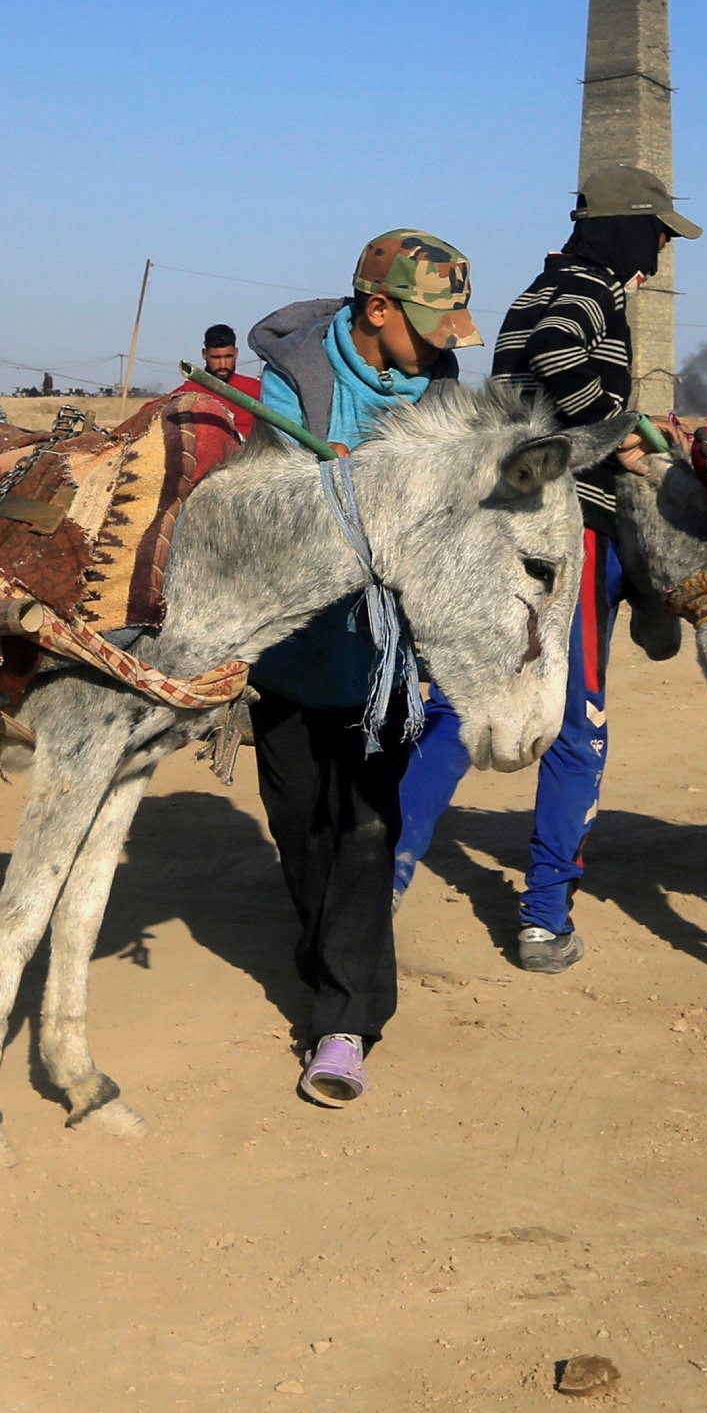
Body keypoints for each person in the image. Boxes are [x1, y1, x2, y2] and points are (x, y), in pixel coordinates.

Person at [394, 163, 697, 973]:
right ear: (625, 227)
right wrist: (614, 432)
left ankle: (379, 880)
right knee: (576, 720)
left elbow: (515, 392)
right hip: (570, 536)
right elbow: (565, 363)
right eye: (660, 231)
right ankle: (543, 913)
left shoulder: (535, 289)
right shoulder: (589, 292)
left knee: (465, 701)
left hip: (501, 526)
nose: (664, 246)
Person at [239, 231, 478, 1107]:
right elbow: (262, 497)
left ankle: (346, 1023)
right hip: (290, 649)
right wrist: (321, 487)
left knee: (367, 833)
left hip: (385, 664)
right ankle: (328, 960)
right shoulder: (292, 375)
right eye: (431, 322)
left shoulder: (443, 390)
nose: (447, 342)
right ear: (378, 310)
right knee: (300, 829)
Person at [162, 323, 260, 436]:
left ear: (236, 353)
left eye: (228, 357)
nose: (223, 364)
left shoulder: (255, 389)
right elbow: (149, 410)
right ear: (204, 354)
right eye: (216, 358)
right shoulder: (190, 391)